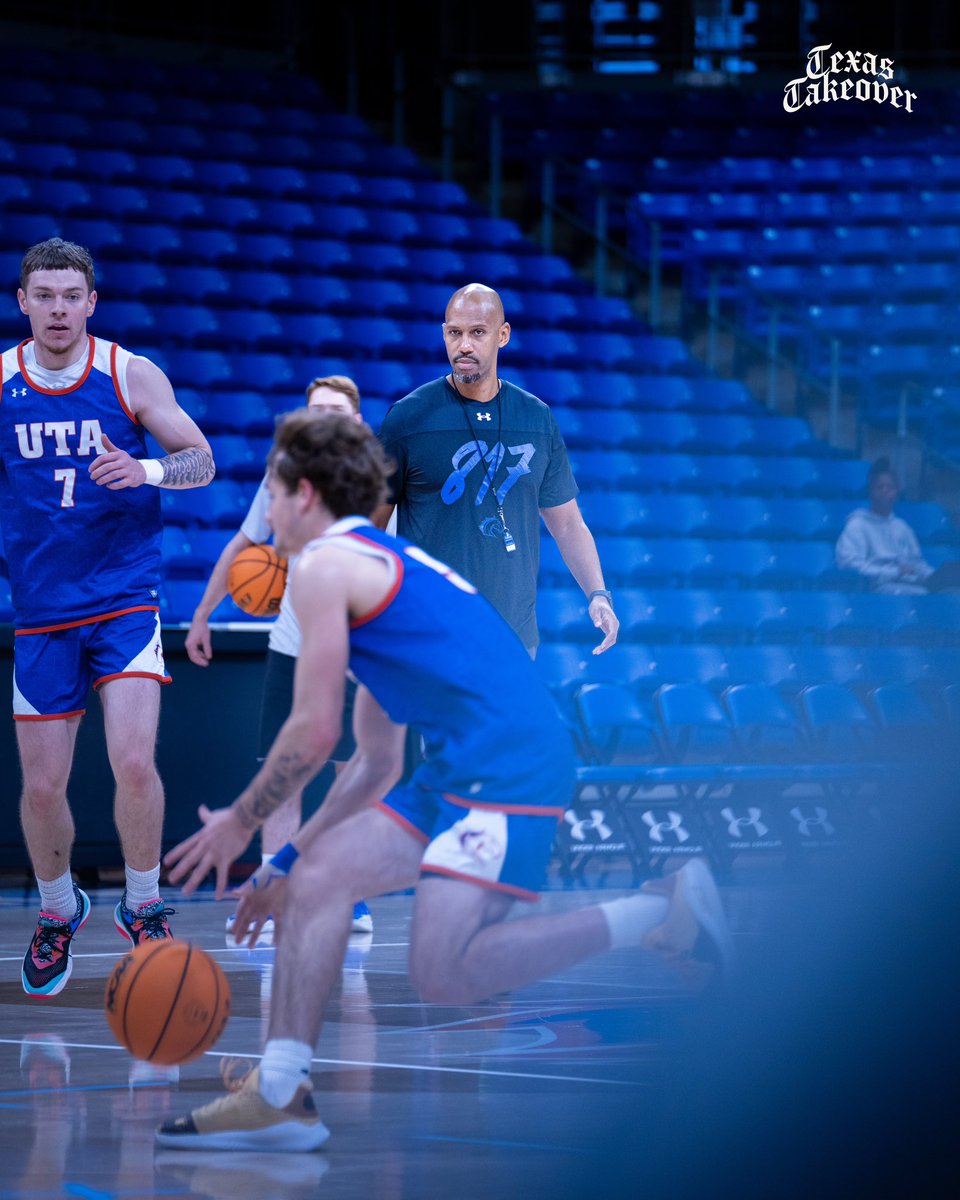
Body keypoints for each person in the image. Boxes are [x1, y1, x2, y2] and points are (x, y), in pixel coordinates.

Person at [155, 409, 733, 1152]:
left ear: (301, 494)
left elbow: (313, 731)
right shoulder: (367, 561)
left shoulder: (328, 565)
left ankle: (654, 913)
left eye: (271, 485)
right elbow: (374, 764)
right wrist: (283, 863)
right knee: (321, 879)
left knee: (443, 972)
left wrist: (239, 821)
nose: (264, 505)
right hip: (465, 759)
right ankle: (279, 1093)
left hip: (508, 762)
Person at [0, 237, 215, 997]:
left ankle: (145, 902)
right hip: (42, 609)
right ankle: (59, 911)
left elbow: (201, 458)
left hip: (124, 596)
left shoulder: (128, 373)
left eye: (72, 296)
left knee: (132, 761)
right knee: (43, 789)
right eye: (44, 296)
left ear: (93, 303)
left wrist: (148, 467)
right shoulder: (1, 381)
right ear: (23, 302)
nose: (58, 309)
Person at [184, 374, 373, 940]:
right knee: (281, 774)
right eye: (316, 410)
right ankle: (271, 895)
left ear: (358, 422)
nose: (325, 419)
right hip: (293, 642)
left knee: (351, 776)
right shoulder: (282, 476)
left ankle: (351, 896)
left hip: (358, 647)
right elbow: (245, 546)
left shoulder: (376, 485)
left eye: (336, 412)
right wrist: (202, 613)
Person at [375, 283, 618, 657]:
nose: (464, 346)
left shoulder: (536, 419)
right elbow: (370, 524)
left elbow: (568, 524)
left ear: (502, 335)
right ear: (444, 334)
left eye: (477, 332)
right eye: (455, 333)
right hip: (429, 633)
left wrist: (598, 594)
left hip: (513, 637)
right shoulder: (408, 419)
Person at [835, 457, 935, 595]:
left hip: (908, 583)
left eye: (890, 487)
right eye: (879, 487)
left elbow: (916, 563)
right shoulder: (857, 525)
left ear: (896, 492)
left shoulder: (902, 527)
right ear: (871, 491)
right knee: (922, 595)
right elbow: (849, 564)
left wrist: (935, 577)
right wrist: (894, 572)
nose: (884, 491)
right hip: (875, 589)